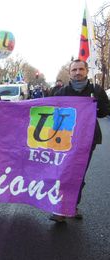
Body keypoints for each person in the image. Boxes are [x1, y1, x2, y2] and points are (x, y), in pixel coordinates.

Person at [50, 59, 109, 223]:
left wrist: (94, 107)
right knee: (62, 174)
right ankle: (59, 209)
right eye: (74, 69)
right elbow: (52, 113)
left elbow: (105, 112)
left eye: (80, 69)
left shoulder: (96, 90)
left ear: (86, 71)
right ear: (70, 73)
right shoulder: (62, 92)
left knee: (78, 175)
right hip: (65, 140)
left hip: (87, 140)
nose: (77, 72)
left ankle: (72, 206)